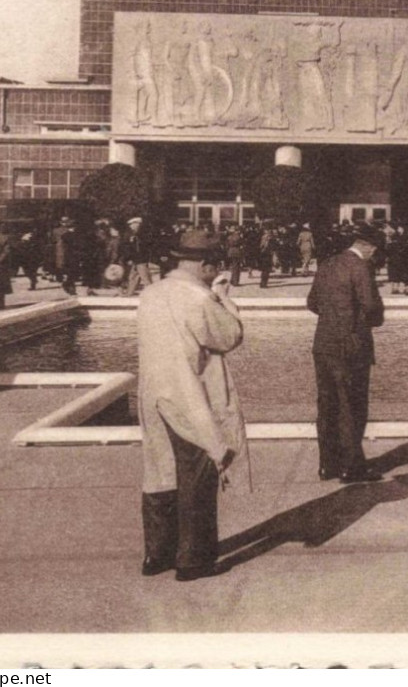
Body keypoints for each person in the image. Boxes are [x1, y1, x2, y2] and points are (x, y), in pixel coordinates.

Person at [137, 227, 248, 582]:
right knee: (198, 476)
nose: (216, 274)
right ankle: (193, 559)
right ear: (205, 266)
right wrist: (223, 298)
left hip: (154, 392)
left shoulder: (151, 293)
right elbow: (229, 336)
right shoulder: (200, 298)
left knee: (160, 471)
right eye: (214, 268)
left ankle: (157, 554)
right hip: (189, 396)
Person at [307, 224, 386, 485]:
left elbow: (312, 303)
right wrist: (368, 322)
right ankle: (351, 467)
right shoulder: (361, 267)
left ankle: (326, 465)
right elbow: (372, 305)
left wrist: (333, 319)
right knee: (352, 405)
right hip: (352, 345)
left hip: (324, 343)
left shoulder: (328, 263)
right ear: (370, 247)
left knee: (327, 404)